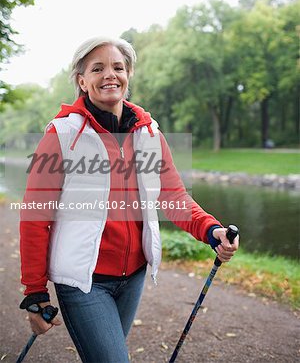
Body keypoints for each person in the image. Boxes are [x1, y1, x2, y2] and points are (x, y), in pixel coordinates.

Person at [19, 36, 239, 363]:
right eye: (98, 68)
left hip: (132, 278)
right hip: (83, 282)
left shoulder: (149, 134)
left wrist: (211, 230)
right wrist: (35, 294)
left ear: (129, 74)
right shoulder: (62, 134)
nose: (110, 74)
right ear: (82, 80)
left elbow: (173, 195)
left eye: (118, 67)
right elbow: (36, 218)